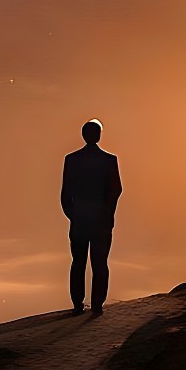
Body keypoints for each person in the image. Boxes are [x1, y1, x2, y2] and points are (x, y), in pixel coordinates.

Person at [60, 119, 121, 313]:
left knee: (79, 261)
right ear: (99, 135)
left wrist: (73, 214)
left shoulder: (72, 159)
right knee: (98, 262)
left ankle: (79, 304)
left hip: (82, 216)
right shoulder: (109, 160)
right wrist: (107, 213)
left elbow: (65, 193)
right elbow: (116, 190)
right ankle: (96, 304)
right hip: (98, 218)